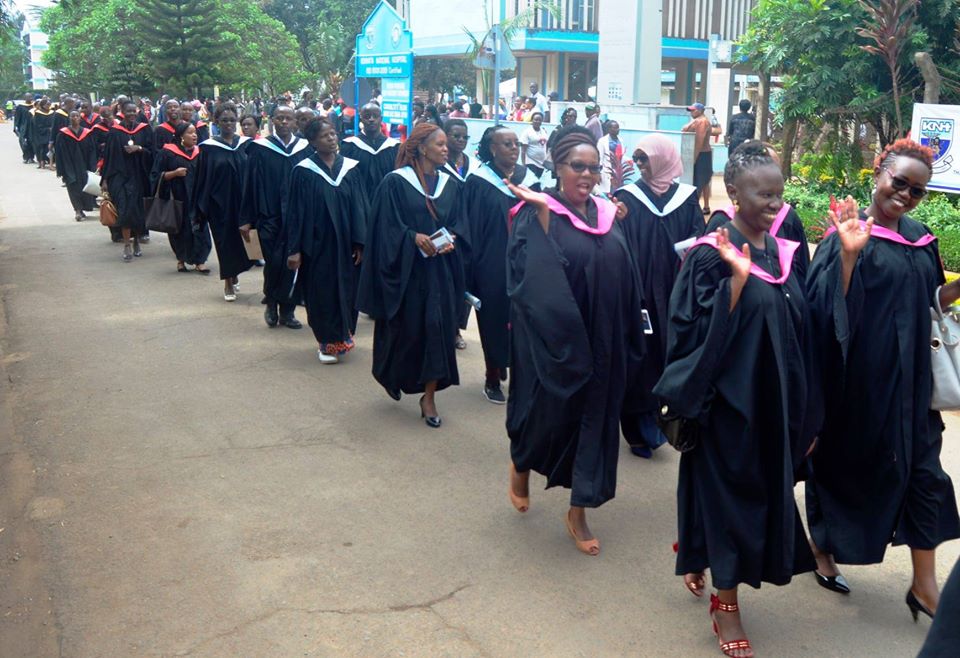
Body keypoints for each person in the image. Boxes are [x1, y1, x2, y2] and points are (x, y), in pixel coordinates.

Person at [654, 142, 820, 658]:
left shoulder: (779, 250)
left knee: (750, 495)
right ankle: (726, 607)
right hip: (726, 407)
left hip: (772, 404)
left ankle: (699, 551)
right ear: (733, 192)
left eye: (779, 193)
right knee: (729, 497)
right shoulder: (710, 255)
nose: (774, 203)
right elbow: (686, 334)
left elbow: (800, 330)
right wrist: (736, 284)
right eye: (762, 193)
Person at [805, 139, 960, 619]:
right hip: (861, 385)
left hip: (913, 385)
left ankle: (924, 585)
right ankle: (822, 549)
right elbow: (821, 307)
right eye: (899, 182)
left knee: (926, 475)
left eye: (917, 189)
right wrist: (850, 256)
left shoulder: (921, 236)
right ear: (878, 174)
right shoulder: (847, 235)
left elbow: (932, 299)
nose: (906, 195)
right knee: (842, 467)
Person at [504, 125, 643, 556]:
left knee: (597, 423)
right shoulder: (536, 211)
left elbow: (625, 271)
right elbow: (530, 280)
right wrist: (544, 216)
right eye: (576, 166)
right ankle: (521, 463)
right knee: (546, 413)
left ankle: (579, 509)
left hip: (604, 341)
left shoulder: (606, 212)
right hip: (556, 341)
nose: (586, 175)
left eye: (593, 168)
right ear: (558, 167)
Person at [356, 124, 464, 428]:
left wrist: (451, 238)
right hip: (406, 273)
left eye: (447, 145)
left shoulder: (450, 184)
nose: (446, 149)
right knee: (404, 330)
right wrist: (413, 238)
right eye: (440, 144)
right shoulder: (395, 183)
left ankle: (428, 397)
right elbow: (384, 228)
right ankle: (391, 372)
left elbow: (460, 222)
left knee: (435, 328)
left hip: (439, 273)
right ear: (421, 148)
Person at [614, 134, 703, 458]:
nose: (639, 165)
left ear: (663, 158)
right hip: (637, 292)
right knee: (639, 356)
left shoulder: (687, 197)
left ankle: (662, 421)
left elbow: (699, 240)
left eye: (644, 159)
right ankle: (637, 432)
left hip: (675, 292)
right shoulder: (626, 197)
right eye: (636, 159)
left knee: (669, 355)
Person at [452, 126, 540, 404]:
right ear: (492, 148)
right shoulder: (478, 182)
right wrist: (471, 268)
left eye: (515, 143)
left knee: (526, 321)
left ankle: (522, 375)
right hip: (492, 263)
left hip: (528, 262)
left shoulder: (531, 179)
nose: (514, 148)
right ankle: (493, 373)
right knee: (494, 320)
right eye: (506, 144)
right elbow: (470, 227)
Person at [285, 117, 368, 364]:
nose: (331, 139)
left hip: (346, 245)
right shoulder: (303, 171)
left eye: (333, 134)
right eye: (324, 136)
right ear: (312, 142)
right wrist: (295, 249)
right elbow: (295, 213)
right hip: (317, 245)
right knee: (321, 292)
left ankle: (343, 334)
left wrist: (360, 242)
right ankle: (326, 341)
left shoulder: (351, 168)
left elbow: (360, 208)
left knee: (348, 289)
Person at [239, 105, 311, 328]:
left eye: (288, 118)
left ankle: (287, 311)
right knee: (273, 263)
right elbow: (249, 184)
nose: (283, 123)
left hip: (297, 217)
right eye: (279, 118)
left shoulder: (305, 148)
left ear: (295, 123)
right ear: (271, 121)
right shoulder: (260, 149)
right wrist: (245, 217)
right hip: (268, 215)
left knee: (293, 263)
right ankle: (271, 303)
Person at [706, 142, 811, 285]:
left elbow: (804, 277)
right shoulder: (720, 225)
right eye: (766, 194)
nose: (775, 205)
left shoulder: (789, 218)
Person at [194, 103, 253, 301]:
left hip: (244, 202)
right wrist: (202, 207)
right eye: (224, 120)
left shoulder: (246, 144)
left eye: (232, 120)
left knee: (240, 242)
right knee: (224, 242)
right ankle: (228, 280)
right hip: (219, 204)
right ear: (216, 122)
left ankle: (234, 273)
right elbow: (202, 179)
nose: (228, 123)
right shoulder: (209, 148)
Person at [149, 122, 211, 273]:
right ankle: (181, 260)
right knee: (179, 229)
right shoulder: (167, 152)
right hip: (177, 197)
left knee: (200, 227)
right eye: (190, 133)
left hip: (197, 198)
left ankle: (200, 261)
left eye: (195, 132)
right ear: (181, 136)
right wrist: (173, 173)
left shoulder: (201, 152)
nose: (194, 135)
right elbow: (155, 175)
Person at [102, 100, 153, 261]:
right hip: (120, 177)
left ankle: (137, 240)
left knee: (138, 210)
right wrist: (105, 179)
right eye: (128, 111)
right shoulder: (114, 132)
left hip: (139, 176)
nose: (131, 114)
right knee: (124, 209)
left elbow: (153, 152)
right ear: (122, 111)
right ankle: (126, 244)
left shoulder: (144, 130)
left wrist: (139, 149)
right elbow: (108, 157)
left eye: (133, 111)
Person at [442, 118, 476, 351]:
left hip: (470, 235)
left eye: (465, 137)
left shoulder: (473, 166)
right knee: (447, 283)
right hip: (448, 234)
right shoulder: (437, 166)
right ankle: (448, 329)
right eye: (456, 136)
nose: (461, 140)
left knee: (465, 283)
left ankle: (456, 327)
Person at [340, 103, 400, 203]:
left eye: (375, 116)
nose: (371, 119)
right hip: (358, 203)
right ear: (361, 118)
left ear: (381, 118)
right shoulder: (349, 146)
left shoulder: (394, 147)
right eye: (367, 116)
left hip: (388, 203)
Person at [54, 110, 97, 221]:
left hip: (84, 166)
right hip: (69, 166)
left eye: (77, 116)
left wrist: (93, 167)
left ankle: (83, 208)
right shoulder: (63, 134)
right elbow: (58, 153)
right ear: (69, 118)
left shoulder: (87, 133)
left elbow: (92, 151)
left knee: (85, 187)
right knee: (73, 187)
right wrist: (60, 169)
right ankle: (77, 210)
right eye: (72, 116)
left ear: (80, 118)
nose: (75, 118)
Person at [682, 102, 714, 214]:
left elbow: (699, 142)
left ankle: (695, 208)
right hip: (703, 154)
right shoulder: (698, 121)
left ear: (700, 111)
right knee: (704, 181)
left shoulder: (702, 122)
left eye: (693, 110)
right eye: (690, 110)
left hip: (702, 154)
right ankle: (705, 207)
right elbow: (684, 129)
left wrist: (694, 158)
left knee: (699, 182)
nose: (691, 112)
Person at [597, 120, 625, 193]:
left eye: (618, 128)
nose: (617, 130)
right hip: (606, 171)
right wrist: (598, 172)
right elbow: (599, 157)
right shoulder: (602, 141)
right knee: (606, 193)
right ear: (609, 129)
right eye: (615, 128)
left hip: (617, 172)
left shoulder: (621, 140)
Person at [520, 111, 549, 179]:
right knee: (532, 181)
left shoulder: (544, 131)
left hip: (541, 163)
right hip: (530, 162)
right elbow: (523, 150)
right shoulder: (527, 132)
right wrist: (523, 164)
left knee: (537, 181)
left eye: (539, 120)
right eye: (535, 119)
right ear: (532, 120)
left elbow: (546, 146)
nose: (537, 121)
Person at [31, 98, 55, 169]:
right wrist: (47, 129)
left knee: (50, 148)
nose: (48, 106)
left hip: (50, 133)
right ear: (43, 105)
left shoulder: (52, 112)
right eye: (47, 104)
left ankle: (51, 163)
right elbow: (36, 126)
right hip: (41, 134)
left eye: (49, 104)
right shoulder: (38, 113)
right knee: (41, 148)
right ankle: (42, 162)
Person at [14, 94, 35, 164]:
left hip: (32, 127)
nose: (30, 98)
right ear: (24, 98)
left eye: (31, 96)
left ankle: (31, 157)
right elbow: (17, 118)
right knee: (23, 142)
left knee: (32, 142)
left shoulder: (34, 106)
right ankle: (26, 157)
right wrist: (16, 127)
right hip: (23, 127)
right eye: (28, 97)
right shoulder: (20, 107)